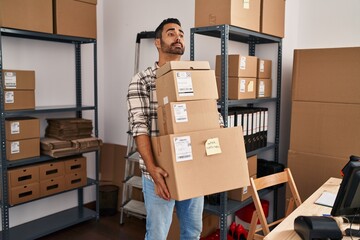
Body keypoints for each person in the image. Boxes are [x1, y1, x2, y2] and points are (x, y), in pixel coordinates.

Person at [127, 18, 203, 240]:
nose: (178, 37)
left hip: (192, 168)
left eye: (180, 33)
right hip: (159, 173)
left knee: (192, 232)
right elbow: (139, 128)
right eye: (171, 33)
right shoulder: (141, 81)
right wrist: (153, 170)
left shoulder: (193, 76)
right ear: (158, 43)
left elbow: (210, 117)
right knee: (158, 235)